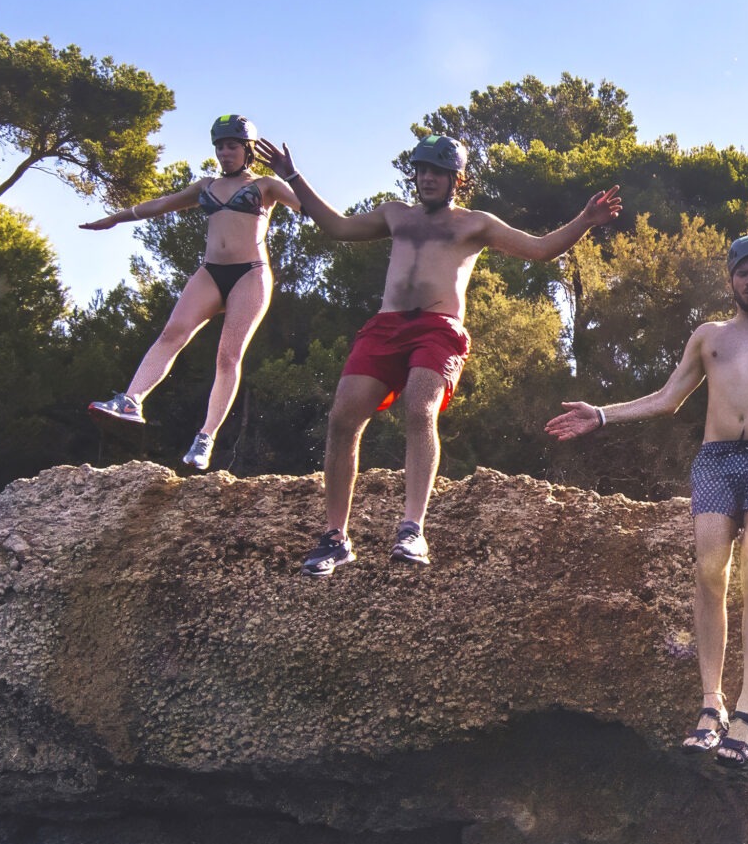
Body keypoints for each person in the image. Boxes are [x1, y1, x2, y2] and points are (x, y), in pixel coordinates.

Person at [545, 234, 748, 768]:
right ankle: (711, 704)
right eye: (743, 272)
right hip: (715, 461)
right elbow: (667, 398)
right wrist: (601, 414)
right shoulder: (709, 337)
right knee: (709, 570)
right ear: (730, 279)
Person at [261, 134, 622, 573]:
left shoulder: (474, 223)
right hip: (386, 326)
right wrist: (293, 177)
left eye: (438, 172)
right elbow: (337, 227)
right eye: (422, 170)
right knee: (341, 420)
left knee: (419, 408)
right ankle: (336, 537)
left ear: (458, 179)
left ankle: (412, 529)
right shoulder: (396, 215)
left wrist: (585, 219)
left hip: (439, 328)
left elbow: (541, 249)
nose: (427, 178)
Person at [81, 115, 299, 471]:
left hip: (250, 274)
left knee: (227, 356)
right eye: (220, 146)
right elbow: (161, 204)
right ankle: (132, 400)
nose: (225, 153)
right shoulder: (205, 187)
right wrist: (116, 218)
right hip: (211, 272)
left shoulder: (265, 186)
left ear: (247, 151)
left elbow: (308, 206)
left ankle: (206, 437)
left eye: (232, 146)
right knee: (172, 333)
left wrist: (291, 174)